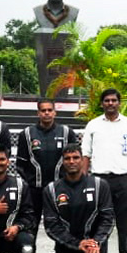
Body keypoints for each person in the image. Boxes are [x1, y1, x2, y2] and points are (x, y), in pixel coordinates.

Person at [43, 145, 115, 253]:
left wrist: (95, 242)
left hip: (92, 245)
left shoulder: (100, 185)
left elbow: (108, 218)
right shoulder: (51, 190)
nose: (72, 161)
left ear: (83, 160)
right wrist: (77, 243)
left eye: (76, 157)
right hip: (67, 247)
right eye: (67, 159)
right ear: (62, 162)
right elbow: (51, 226)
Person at [80, 88, 127, 253]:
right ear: (102, 104)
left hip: (124, 179)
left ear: (119, 103)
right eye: (106, 100)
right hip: (99, 180)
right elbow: (86, 154)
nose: (110, 103)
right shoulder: (93, 125)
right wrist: (84, 181)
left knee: (125, 226)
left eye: (113, 100)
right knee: (100, 224)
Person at [15, 98, 79, 232]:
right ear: (38, 113)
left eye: (50, 110)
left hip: (60, 188)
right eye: (43, 110)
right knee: (30, 226)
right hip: (35, 190)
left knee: (63, 225)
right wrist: (28, 184)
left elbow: (75, 161)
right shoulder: (26, 134)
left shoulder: (67, 133)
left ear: (55, 112)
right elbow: (21, 164)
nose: (47, 113)